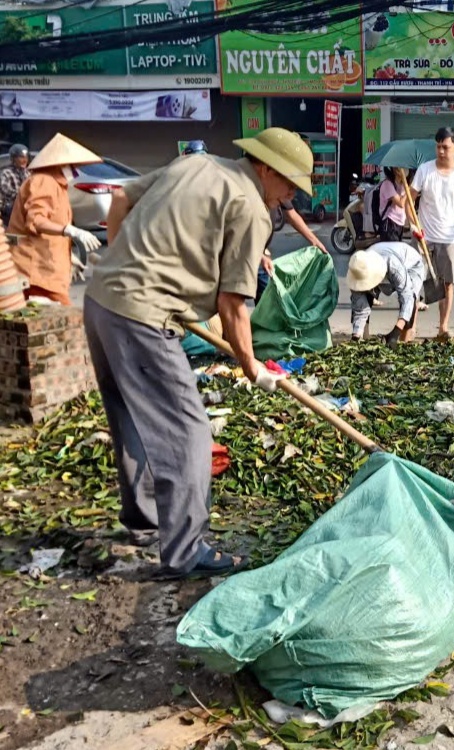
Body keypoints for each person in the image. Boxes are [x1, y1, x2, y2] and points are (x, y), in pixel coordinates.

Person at [84, 127, 311, 578]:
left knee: (130, 415)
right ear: (265, 168)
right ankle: (187, 550)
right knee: (188, 431)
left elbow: (122, 200)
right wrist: (252, 369)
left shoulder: (196, 162)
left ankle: (145, 519)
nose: (290, 197)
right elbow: (233, 305)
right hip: (145, 318)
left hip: (101, 300)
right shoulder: (251, 208)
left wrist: (125, 262)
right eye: (289, 184)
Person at [8, 133, 102, 304]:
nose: (76, 170)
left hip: (48, 267)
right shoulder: (43, 181)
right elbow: (36, 220)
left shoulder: (57, 185)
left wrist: (69, 257)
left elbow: (52, 228)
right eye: (73, 165)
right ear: (61, 164)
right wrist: (70, 230)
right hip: (36, 269)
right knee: (62, 315)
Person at [409, 127, 454, 341]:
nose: (441, 151)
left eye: (445, 147)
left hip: (448, 238)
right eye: (438, 146)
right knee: (414, 283)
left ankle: (443, 328)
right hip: (424, 237)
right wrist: (413, 224)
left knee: (447, 284)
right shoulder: (424, 170)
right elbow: (409, 201)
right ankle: (410, 328)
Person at [348, 242, 425, 347]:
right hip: (383, 265)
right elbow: (360, 308)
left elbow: (407, 296)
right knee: (366, 295)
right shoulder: (357, 270)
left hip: (411, 266)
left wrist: (395, 332)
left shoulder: (392, 263)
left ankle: (403, 343)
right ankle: (364, 336)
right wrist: (356, 336)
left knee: (410, 301)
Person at [256, 197, 326, 303]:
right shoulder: (250, 192)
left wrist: (315, 241)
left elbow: (292, 215)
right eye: (290, 187)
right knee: (233, 305)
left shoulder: (279, 191)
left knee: (266, 304)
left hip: (263, 258)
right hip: (243, 258)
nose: (292, 194)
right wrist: (258, 255)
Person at [0, 143, 30, 224]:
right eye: (21, 157)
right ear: (13, 159)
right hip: (11, 206)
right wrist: (23, 194)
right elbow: (6, 191)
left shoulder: (28, 173)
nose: (25, 160)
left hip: (26, 204)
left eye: (26, 157)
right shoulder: (6, 173)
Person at [378, 166, 407, 242]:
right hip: (390, 223)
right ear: (393, 169)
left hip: (400, 223)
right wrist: (409, 190)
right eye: (397, 167)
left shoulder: (402, 185)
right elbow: (401, 203)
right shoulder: (387, 184)